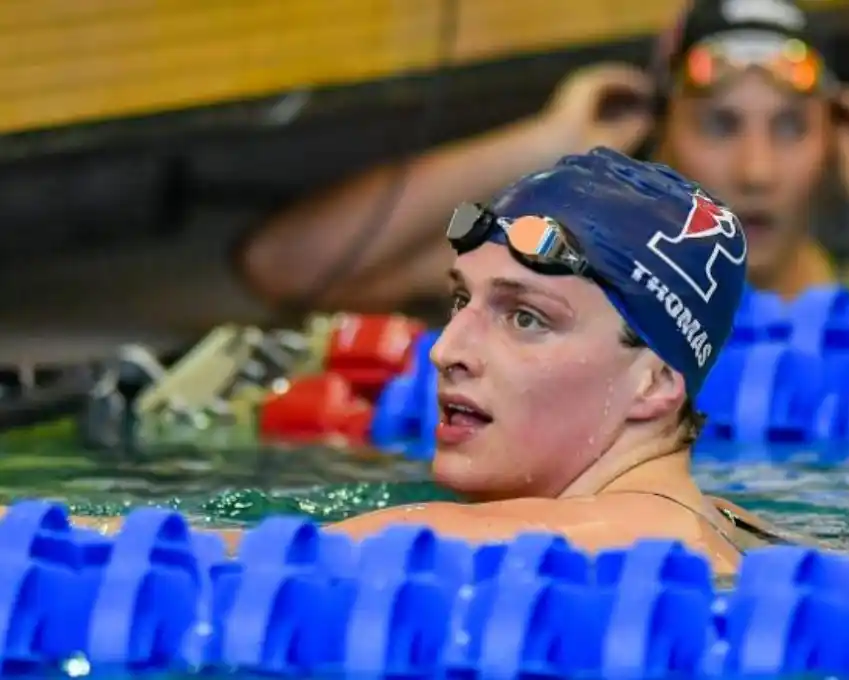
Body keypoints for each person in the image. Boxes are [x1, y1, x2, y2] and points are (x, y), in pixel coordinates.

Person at [2, 150, 795, 575]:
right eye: (461, 302)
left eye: (525, 317)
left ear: (655, 383)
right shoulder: (729, 527)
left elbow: (231, 559)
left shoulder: (605, 538)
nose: (446, 350)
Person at [237, 0, 849, 318]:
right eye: (719, 124)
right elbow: (285, 269)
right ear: (660, 130)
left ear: (834, 143)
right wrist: (542, 146)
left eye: (789, 129)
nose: (754, 170)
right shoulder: (571, 290)